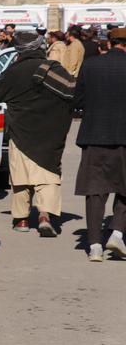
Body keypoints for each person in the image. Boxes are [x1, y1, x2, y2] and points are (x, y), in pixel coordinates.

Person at [0, 31, 76, 236]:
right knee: (47, 175)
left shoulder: (13, 71)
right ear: (40, 48)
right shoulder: (51, 68)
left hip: (20, 131)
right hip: (50, 132)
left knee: (20, 178)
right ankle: (45, 215)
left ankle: (21, 220)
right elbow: (72, 91)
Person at [73, 27, 126, 261]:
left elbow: (78, 100)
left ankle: (94, 245)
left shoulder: (91, 65)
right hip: (124, 137)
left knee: (95, 191)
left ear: (109, 42)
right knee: (125, 189)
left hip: (94, 136)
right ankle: (116, 233)